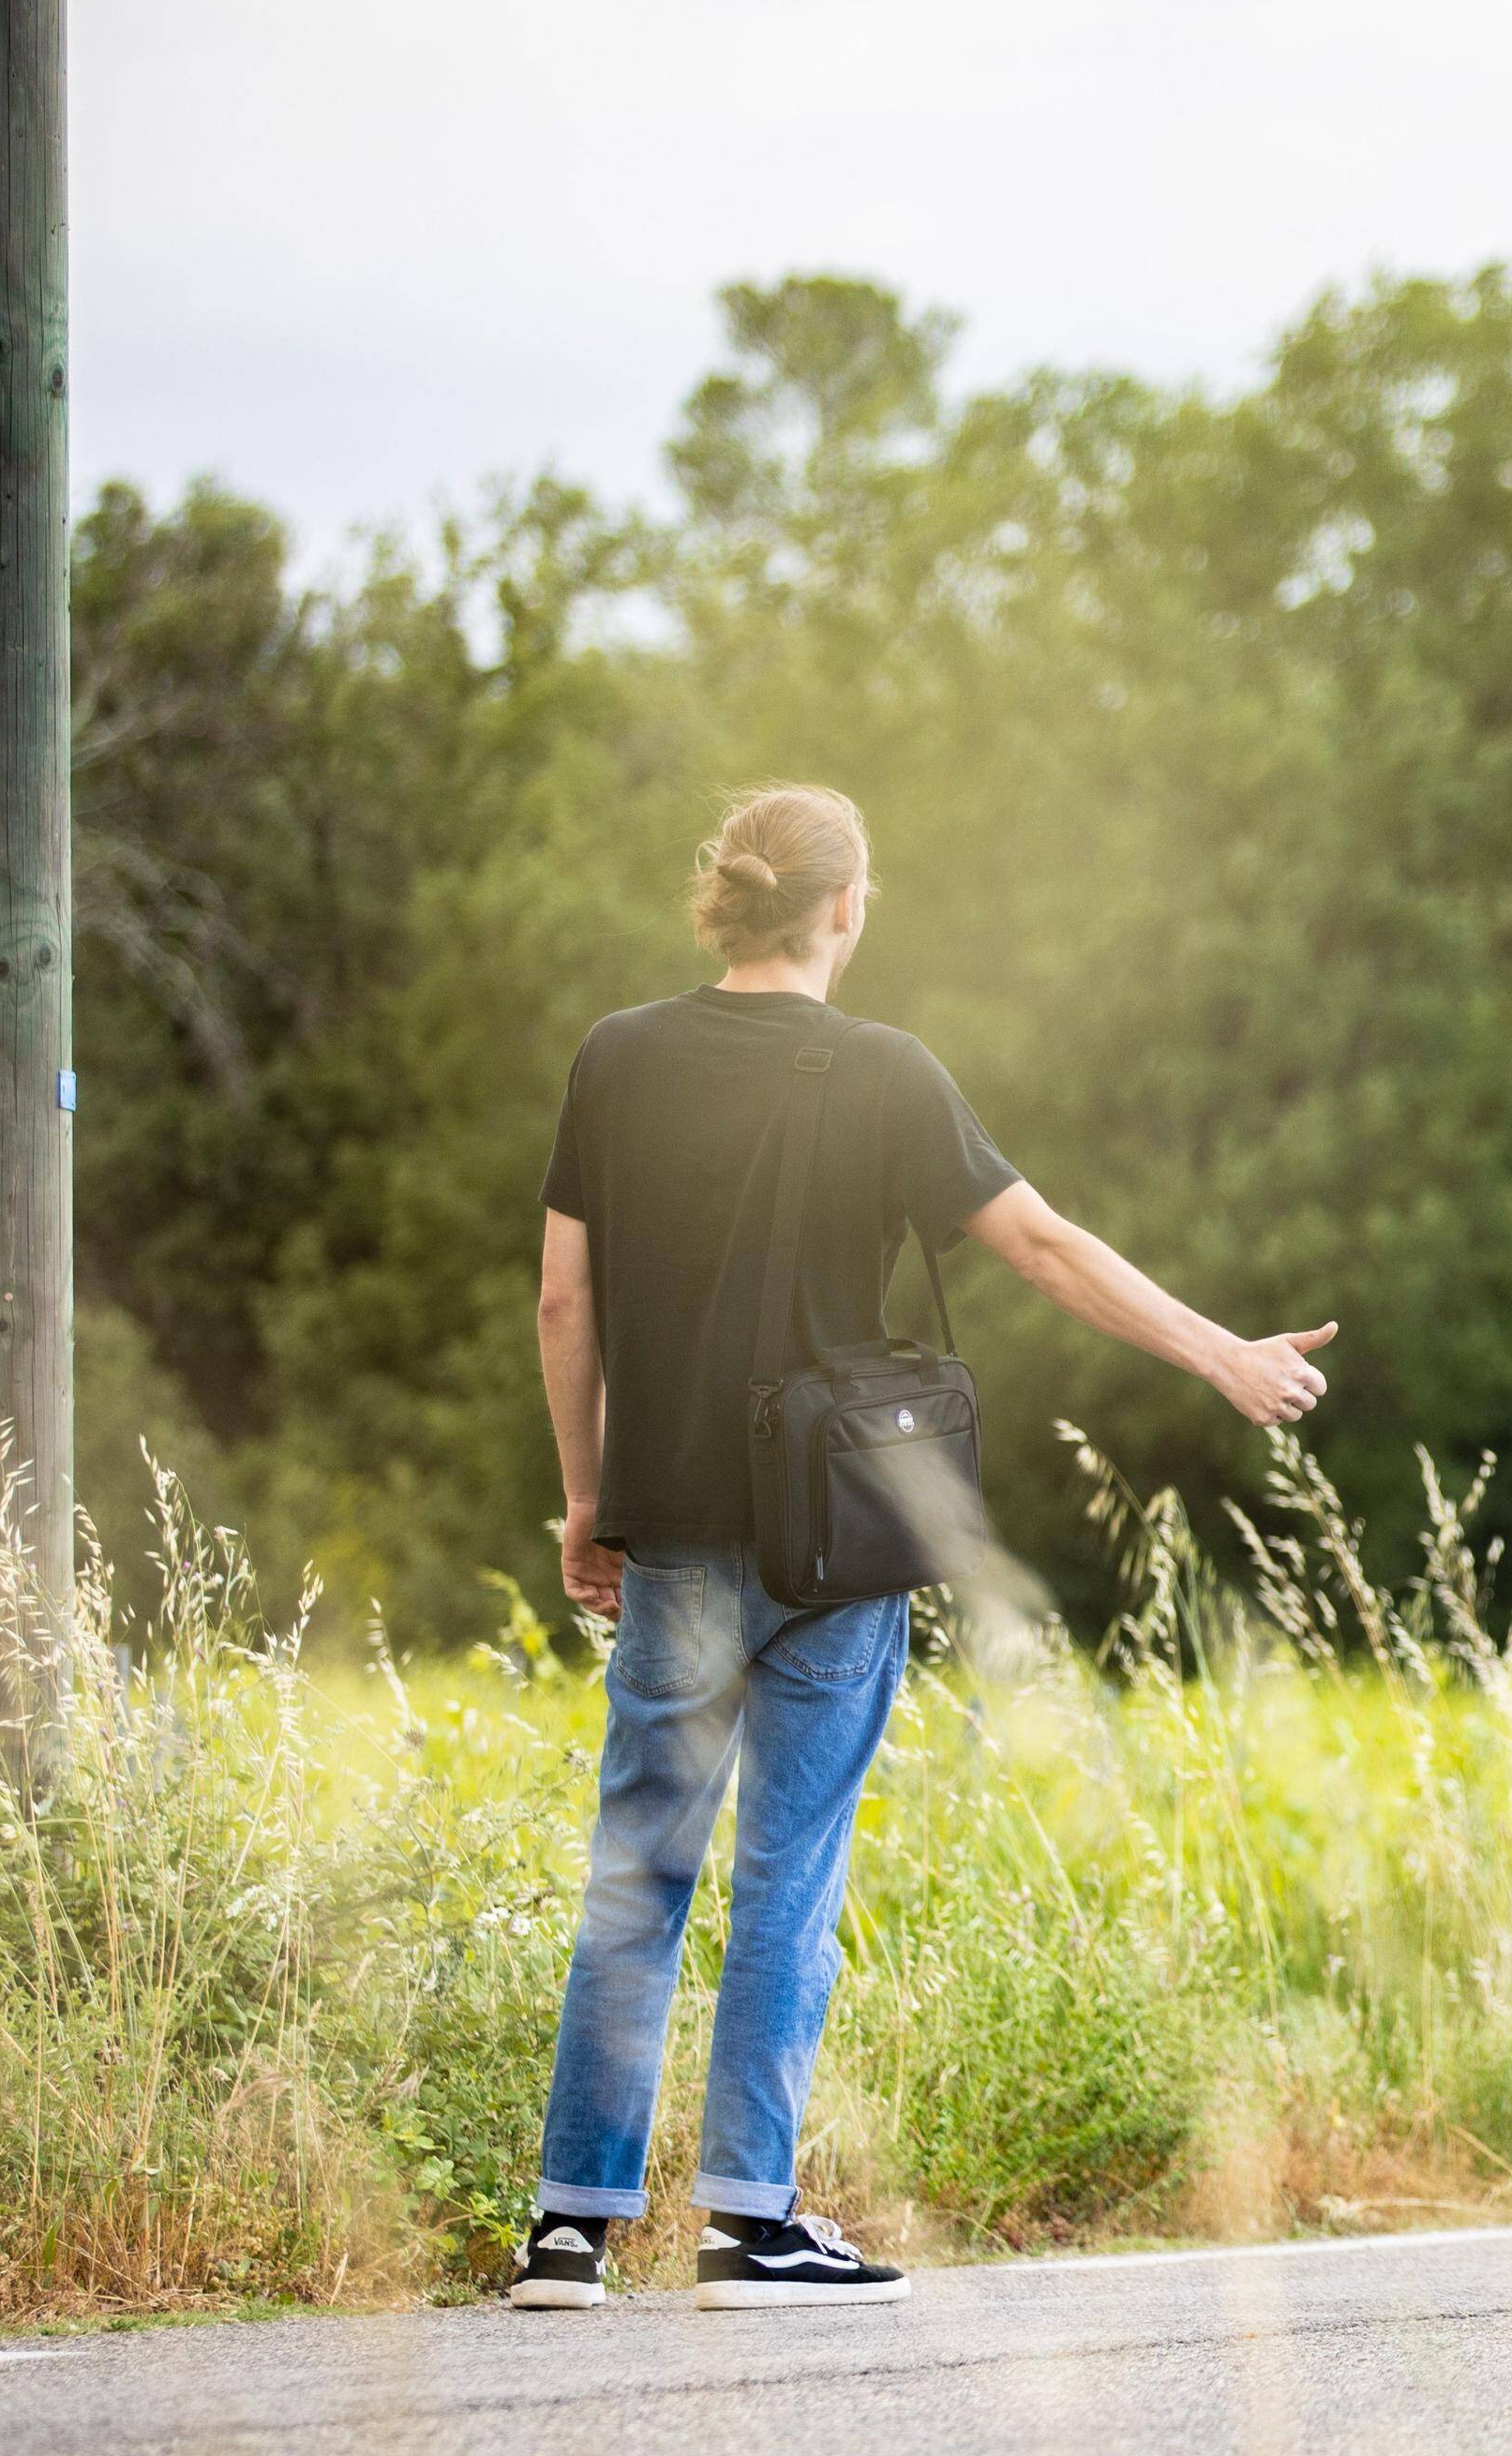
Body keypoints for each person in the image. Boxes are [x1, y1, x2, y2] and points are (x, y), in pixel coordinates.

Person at [506, 785, 1338, 2313]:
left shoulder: (616, 1056)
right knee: (791, 1874)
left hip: (671, 1532)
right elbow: (1043, 1246)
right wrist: (1223, 1352)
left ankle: (569, 2228)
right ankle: (749, 2223)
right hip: (834, 1539)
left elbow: (566, 1298)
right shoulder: (886, 1072)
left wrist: (585, 1494)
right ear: (844, 906)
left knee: (640, 1870)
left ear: (728, 901)